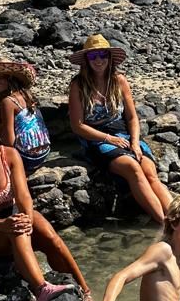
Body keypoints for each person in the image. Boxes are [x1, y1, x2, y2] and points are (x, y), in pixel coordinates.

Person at [0, 100, 91, 301]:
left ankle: (84, 290)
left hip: (13, 214)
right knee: (16, 229)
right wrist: (4, 225)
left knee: (50, 236)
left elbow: (24, 196)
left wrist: (28, 220)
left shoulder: (9, 154)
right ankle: (42, 289)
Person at [68, 33, 171, 225]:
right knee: (133, 168)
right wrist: (109, 139)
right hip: (97, 138)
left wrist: (134, 142)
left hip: (123, 133)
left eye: (102, 55)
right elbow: (78, 125)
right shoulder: (78, 85)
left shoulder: (119, 80)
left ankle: (178, 220)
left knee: (149, 170)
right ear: (86, 60)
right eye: (93, 56)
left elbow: (132, 117)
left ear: (109, 57)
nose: (98, 60)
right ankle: (164, 224)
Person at [0, 60, 51, 174]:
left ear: (10, 78)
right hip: (44, 152)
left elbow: (8, 137)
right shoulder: (27, 96)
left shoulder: (8, 102)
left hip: (26, 157)